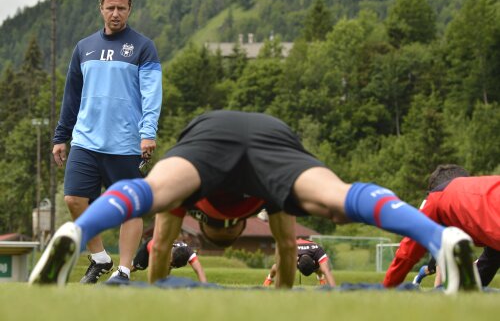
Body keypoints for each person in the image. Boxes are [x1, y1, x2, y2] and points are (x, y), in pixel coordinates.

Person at [30, 111, 480, 294]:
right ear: (244, 222)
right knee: (339, 199)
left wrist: (159, 291)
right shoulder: (268, 199)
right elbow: (287, 250)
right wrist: (281, 301)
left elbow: (161, 249)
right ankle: (440, 238)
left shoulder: (187, 201)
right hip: (270, 132)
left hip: (212, 130)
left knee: (150, 193)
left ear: (204, 221)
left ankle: (78, 231)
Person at [51, 0, 162, 284]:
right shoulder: (83, 47)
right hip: (86, 141)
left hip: (126, 143)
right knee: (74, 199)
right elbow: (71, 96)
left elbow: (152, 94)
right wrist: (61, 136)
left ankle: (123, 271)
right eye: (110, 7)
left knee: (130, 207)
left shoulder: (143, 46)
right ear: (100, 8)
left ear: (130, 10)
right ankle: (99, 256)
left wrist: (147, 132)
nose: (115, 13)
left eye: (121, 8)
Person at [384, 164, 500, 289]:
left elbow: (408, 248)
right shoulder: (484, 192)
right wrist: (465, 288)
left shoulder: (437, 196)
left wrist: (388, 285)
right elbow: (491, 258)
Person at [263, 238, 336, 286]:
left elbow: (326, 270)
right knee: (277, 267)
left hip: (309, 252)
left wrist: (333, 289)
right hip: (294, 249)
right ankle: (269, 279)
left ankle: (321, 278)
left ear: (314, 262)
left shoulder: (318, 250)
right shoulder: (290, 252)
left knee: (321, 269)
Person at [132, 238, 207, 283]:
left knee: (165, 274)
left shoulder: (189, 253)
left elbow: (199, 270)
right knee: (135, 267)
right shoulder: (163, 247)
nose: (169, 262)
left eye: (171, 262)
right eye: (169, 260)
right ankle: (122, 272)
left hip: (164, 258)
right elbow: (153, 270)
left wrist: (205, 287)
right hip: (149, 250)